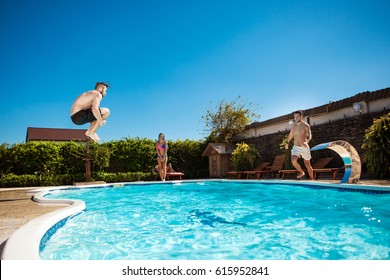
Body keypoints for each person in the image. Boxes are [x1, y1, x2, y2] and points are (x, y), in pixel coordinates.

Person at [285, 110, 314, 180]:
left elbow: (309, 135)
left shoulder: (305, 125)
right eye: (295, 117)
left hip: (304, 147)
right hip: (296, 147)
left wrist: (307, 141)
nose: (296, 118)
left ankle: (312, 178)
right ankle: (301, 172)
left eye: (297, 117)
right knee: (293, 161)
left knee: (307, 164)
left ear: (301, 116)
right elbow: (291, 135)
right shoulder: (293, 126)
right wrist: (287, 143)